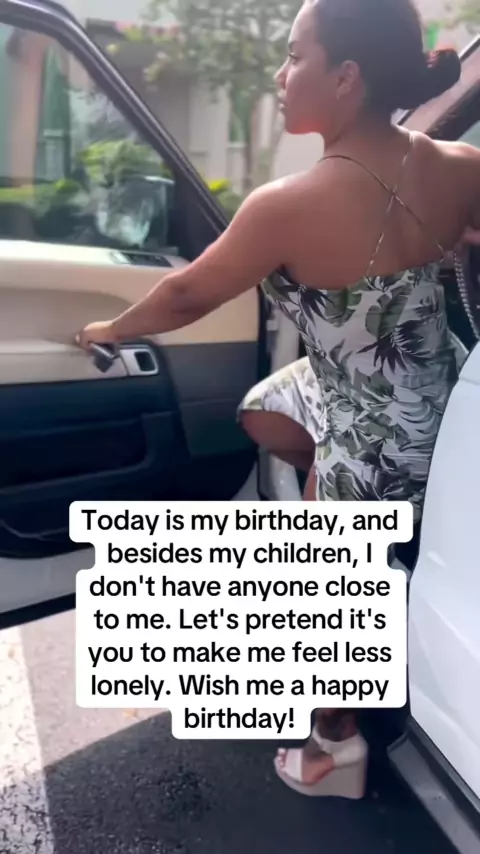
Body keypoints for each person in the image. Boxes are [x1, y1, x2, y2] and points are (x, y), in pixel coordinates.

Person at [77, 0, 480, 800]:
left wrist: (109, 327)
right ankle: (357, 527)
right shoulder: (463, 167)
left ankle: (335, 746)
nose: (280, 73)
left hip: (381, 441)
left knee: (323, 580)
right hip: (447, 402)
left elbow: (188, 294)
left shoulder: (285, 204)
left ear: (347, 76)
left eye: (295, 56)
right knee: (265, 407)